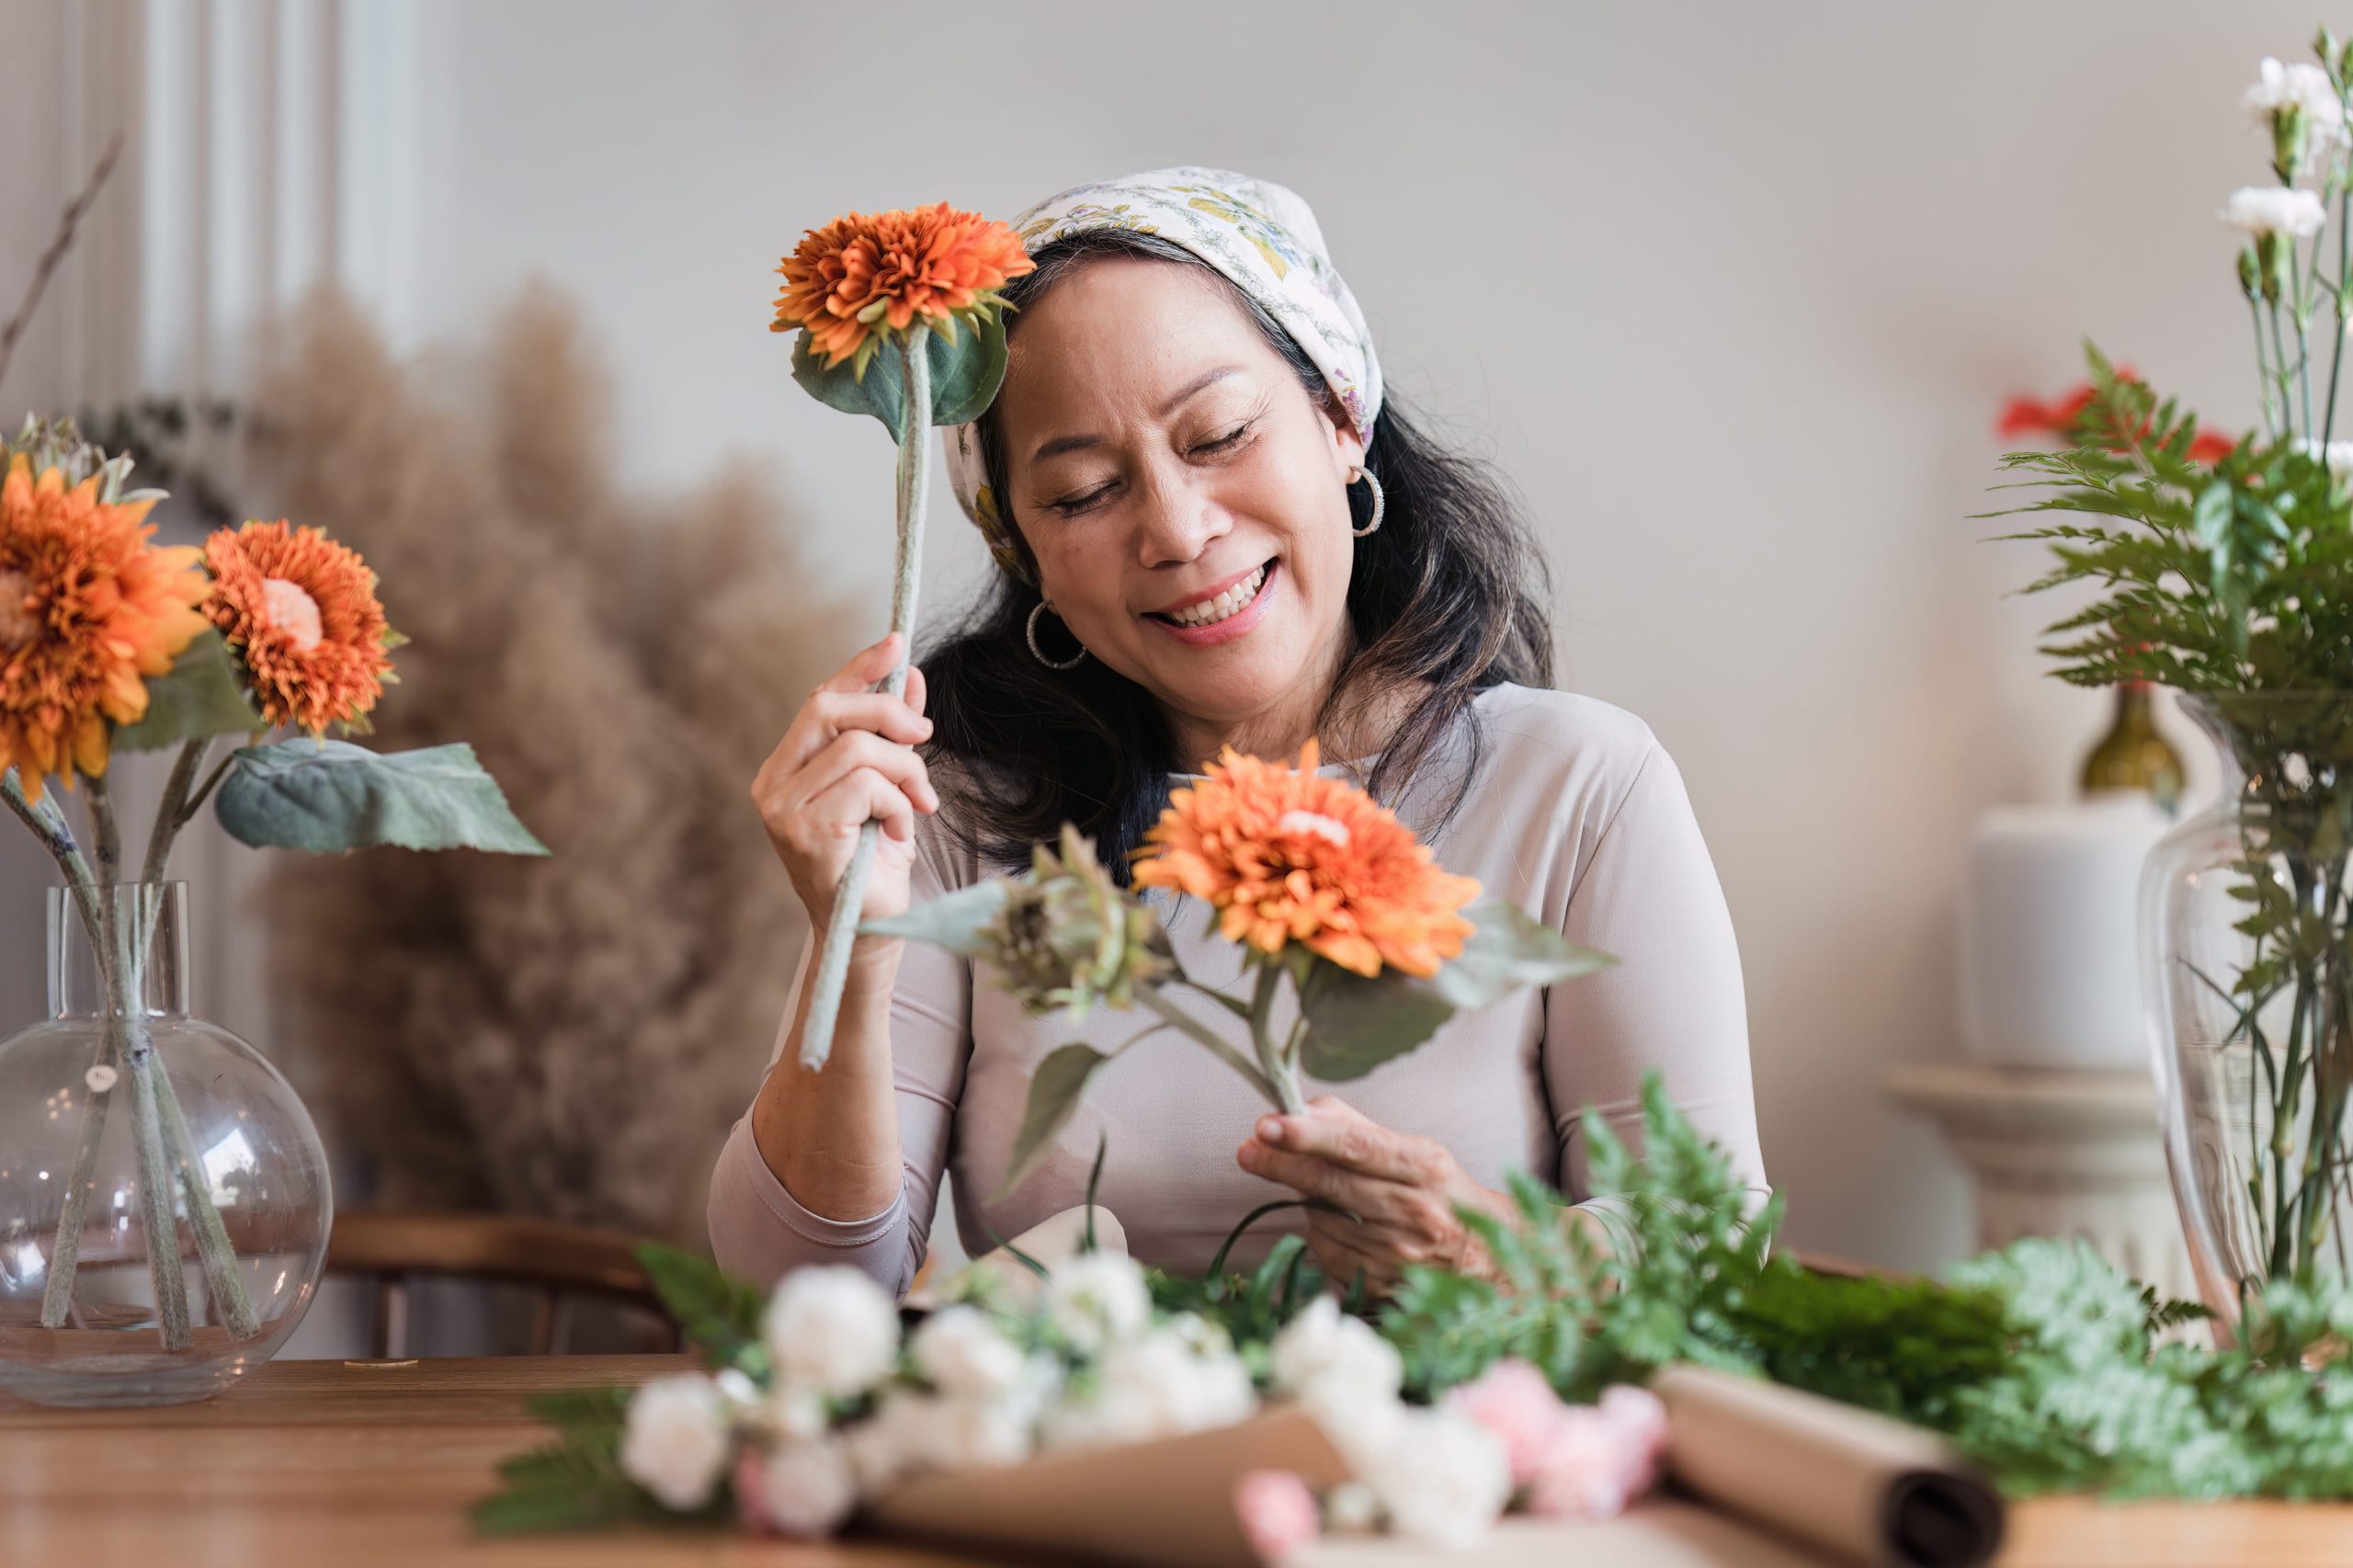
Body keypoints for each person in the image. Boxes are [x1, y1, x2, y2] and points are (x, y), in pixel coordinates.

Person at [710, 167, 1764, 1297]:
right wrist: (852, 954)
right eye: (1079, 494)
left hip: (1468, 1464)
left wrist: (1490, 1252)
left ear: (1342, 418)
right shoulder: (952, 807)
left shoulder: (1581, 790)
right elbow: (799, 1289)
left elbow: (1715, 1246)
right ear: (1024, 552)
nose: (1176, 529)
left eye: (1217, 433)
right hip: (1088, 1463)